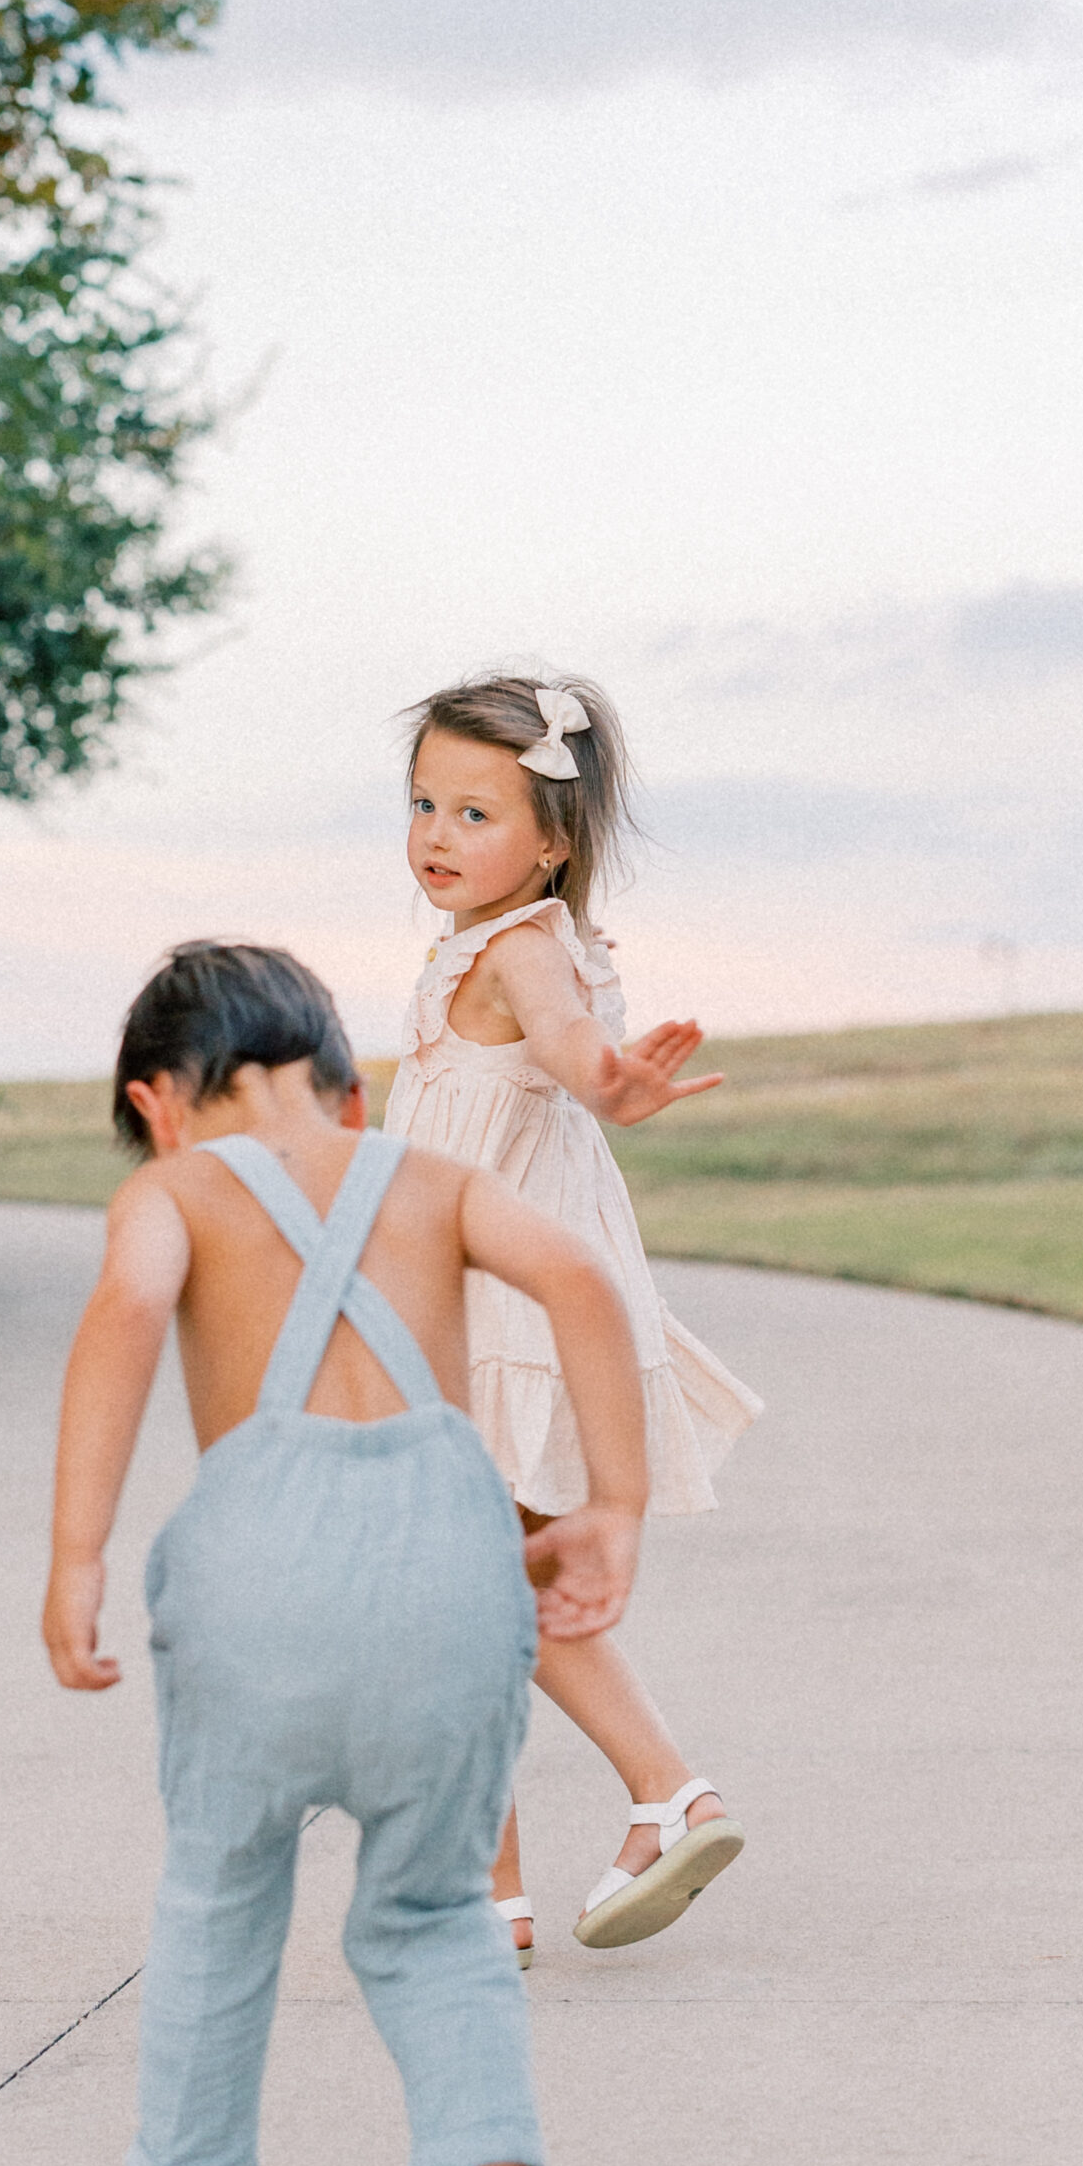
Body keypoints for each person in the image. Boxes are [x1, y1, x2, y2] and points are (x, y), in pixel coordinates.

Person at [43, 940, 649, 2166]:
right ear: (352, 1094)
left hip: (258, 1593)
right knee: (437, 1909)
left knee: (221, 1887)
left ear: (156, 1104)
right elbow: (580, 1284)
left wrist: (77, 1558)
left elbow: (124, 1316)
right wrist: (612, 1506)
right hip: (451, 1585)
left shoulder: (170, 1192)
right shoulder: (432, 1184)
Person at [384, 673, 761, 1957]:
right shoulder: (503, 943)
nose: (438, 832)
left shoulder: (522, 949)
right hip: (512, 1296)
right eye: (426, 802)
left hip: (500, 1310)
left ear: (553, 840)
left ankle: (517, 1879)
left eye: (477, 812)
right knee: (501, 1594)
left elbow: (566, 1048)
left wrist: (610, 1079)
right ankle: (634, 1815)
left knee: (467, 1596)